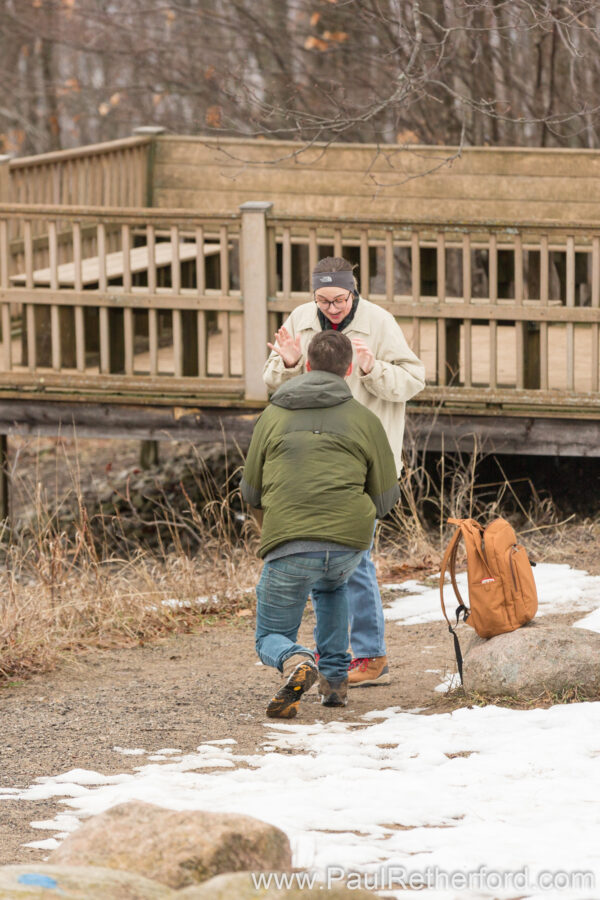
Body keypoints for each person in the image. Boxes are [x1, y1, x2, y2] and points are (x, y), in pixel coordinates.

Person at [263, 257, 425, 687]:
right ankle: (333, 655)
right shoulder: (300, 319)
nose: (332, 308)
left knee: (356, 560)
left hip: (366, 461)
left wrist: (372, 370)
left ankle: (370, 656)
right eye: (323, 299)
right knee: (328, 560)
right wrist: (292, 364)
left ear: (354, 293)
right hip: (313, 461)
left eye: (340, 299)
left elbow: (414, 381)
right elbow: (275, 386)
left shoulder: (380, 322)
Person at [241, 331, 400, 719]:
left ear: (307, 365)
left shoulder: (272, 415)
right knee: (332, 588)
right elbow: (385, 501)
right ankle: (334, 684)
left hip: (290, 542)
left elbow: (250, 491)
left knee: (269, 635)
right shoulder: (366, 420)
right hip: (347, 545)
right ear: (348, 371)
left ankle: (295, 658)